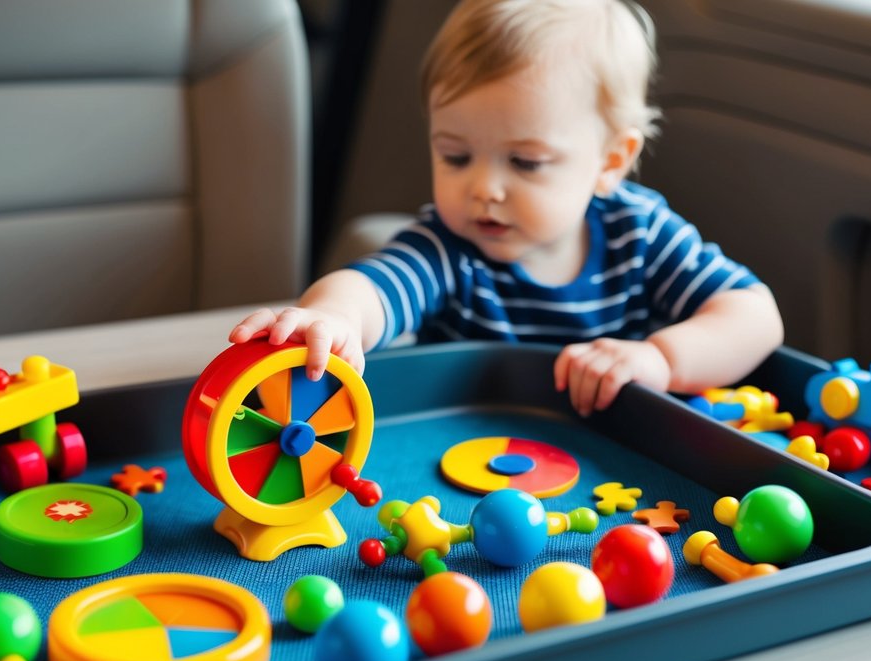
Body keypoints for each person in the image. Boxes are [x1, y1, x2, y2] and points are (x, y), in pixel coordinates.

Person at [229, 0, 783, 415]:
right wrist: (330, 318)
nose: (484, 189)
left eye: (525, 163)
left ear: (610, 162)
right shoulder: (448, 250)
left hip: (613, 473)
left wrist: (661, 359)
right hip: (462, 468)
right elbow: (370, 289)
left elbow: (756, 316)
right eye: (456, 155)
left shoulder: (638, 234)